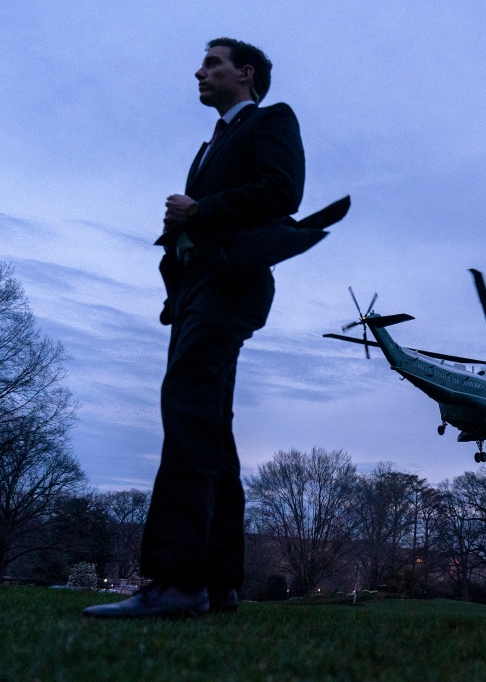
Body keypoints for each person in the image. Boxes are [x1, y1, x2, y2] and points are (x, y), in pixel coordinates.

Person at [84, 38, 304, 618]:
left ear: (246, 73)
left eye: (213, 63)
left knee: (185, 405)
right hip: (196, 292)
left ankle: (177, 582)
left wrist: (200, 211)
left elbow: (282, 193)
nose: (199, 72)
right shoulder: (209, 146)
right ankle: (218, 580)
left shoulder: (273, 119)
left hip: (231, 286)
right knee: (208, 422)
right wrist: (178, 233)